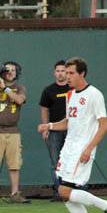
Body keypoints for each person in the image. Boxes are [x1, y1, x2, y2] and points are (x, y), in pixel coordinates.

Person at [37, 57, 107, 213]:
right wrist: (49, 125)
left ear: (82, 73)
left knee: (64, 191)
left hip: (82, 148)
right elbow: (68, 122)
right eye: (66, 72)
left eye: (71, 73)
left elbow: (103, 126)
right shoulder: (70, 95)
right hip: (68, 148)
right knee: (64, 193)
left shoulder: (94, 94)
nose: (67, 76)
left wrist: (89, 148)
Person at [0, 61, 30, 204]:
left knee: (14, 163)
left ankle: (14, 193)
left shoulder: (20, 88)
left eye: (13, 70)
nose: (10, 72)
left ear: (17, 73)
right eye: (7, 70)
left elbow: (20, 100)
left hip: (13, 130)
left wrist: (6, 89)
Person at [39, 60, 70, 201]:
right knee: (56, 162)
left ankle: (75, 192)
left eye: (63, 71)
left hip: (72, 131)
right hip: (54, 131)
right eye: (58, 71)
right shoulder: (49, 90)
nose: (60, 73)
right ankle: (59, 192)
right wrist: (46, 127)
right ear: (54, 73)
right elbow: (44, 109)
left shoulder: (73, 89)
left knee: (72, 160)